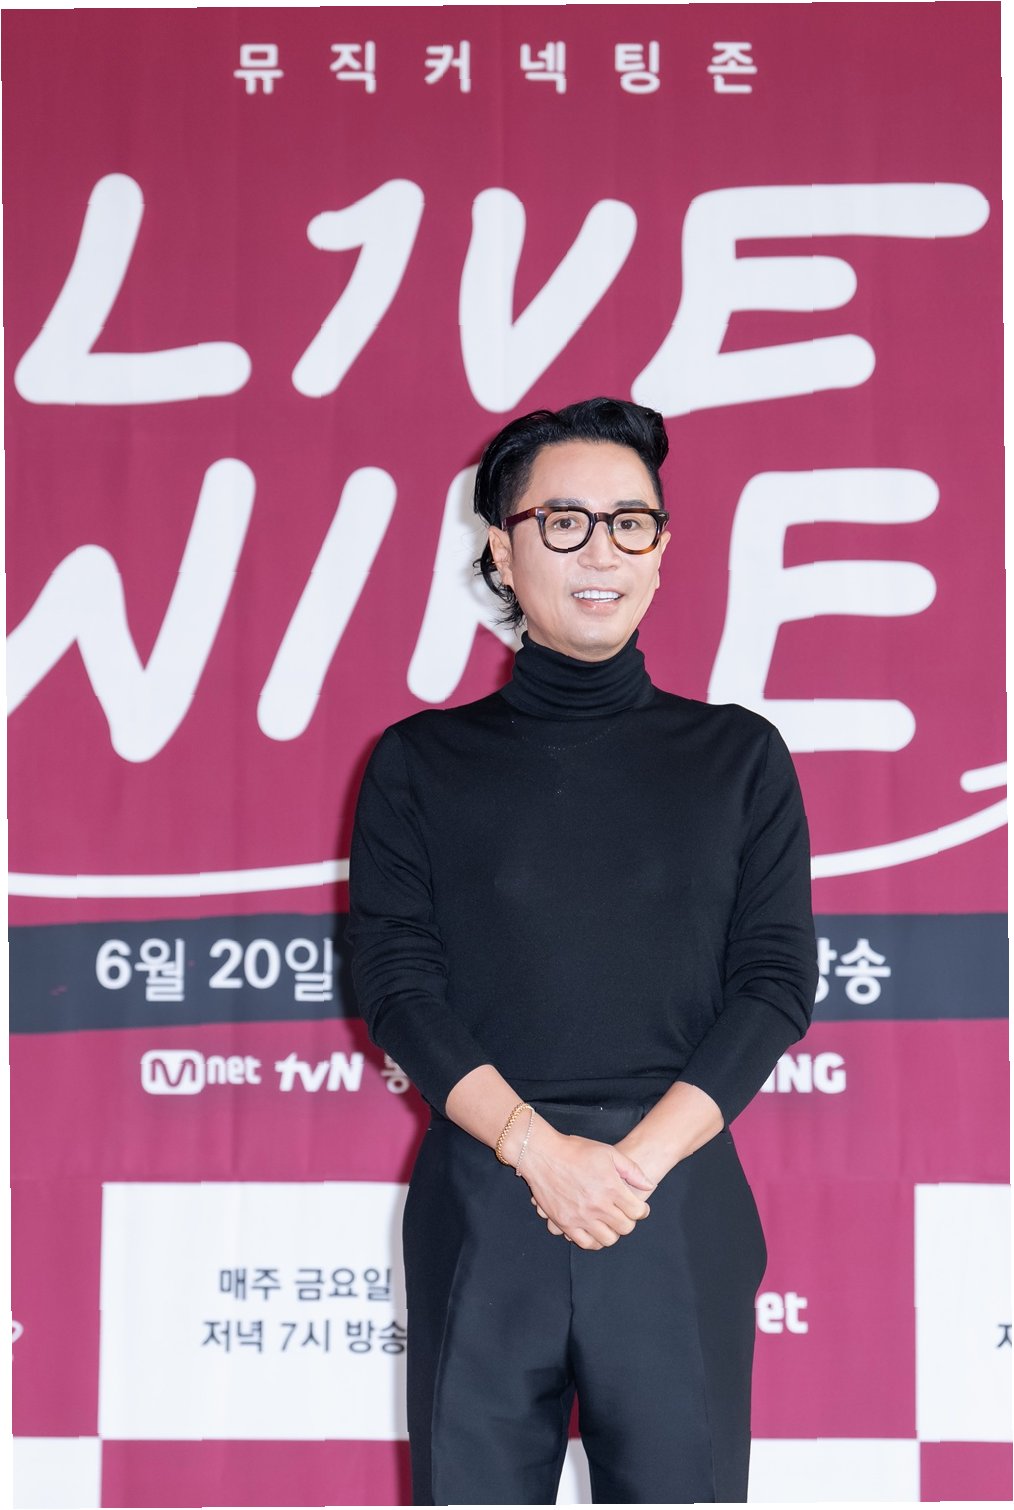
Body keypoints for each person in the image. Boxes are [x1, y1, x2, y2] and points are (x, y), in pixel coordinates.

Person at [348, 397, 817, 1505]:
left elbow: (774, 984)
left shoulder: (738, 756)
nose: (601, 550)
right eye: (564, 522)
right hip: (486, 1193)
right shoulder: (419, 762)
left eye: (630, 522)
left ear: (661, 550)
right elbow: (397, 984)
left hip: (674, 1198)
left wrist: (630, 1168)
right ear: (501, 550)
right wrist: (538, 1153)